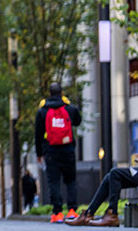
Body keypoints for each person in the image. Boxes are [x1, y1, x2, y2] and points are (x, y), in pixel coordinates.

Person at [34, 82, 82, 223]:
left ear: (49, 94)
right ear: (61, 93)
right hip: (68, 149)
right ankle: (72, 210)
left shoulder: (42, 111)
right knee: (71, 180)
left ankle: (58, 213)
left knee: (54, 182)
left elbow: (38, 134)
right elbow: (78, 121)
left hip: (50, 150)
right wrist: (70, 104)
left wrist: (39, 153)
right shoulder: (69, 108)